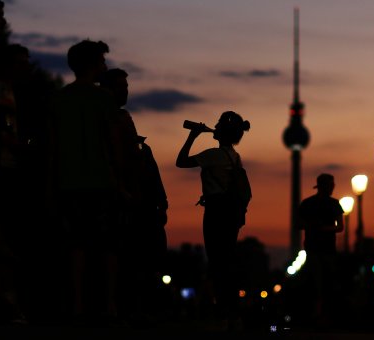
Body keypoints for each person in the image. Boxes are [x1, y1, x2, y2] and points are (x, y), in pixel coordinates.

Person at [48, 39, 121, 323]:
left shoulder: (57, 99)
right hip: (101, 181)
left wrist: (49, 185)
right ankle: (109, 306)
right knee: (108, 247)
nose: (105, 65)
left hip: (68, 183)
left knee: (76, 246)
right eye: (102, 61)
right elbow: (113, 143)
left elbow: (52, 147)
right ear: (93, 65)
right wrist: (121, 180)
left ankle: (78, 306)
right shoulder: (104, 99)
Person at [99, 68, 169, 325]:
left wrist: (160, 200)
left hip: (138, 200)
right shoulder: (110, 121)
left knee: (139, 259)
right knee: (124, 256)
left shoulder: (123, 120)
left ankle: (133, 306)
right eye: (121, 87)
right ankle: (122, 307)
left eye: (126, 87)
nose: (125, 91)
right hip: (123, 199)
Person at [176, 110, 250, 331]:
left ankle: (223, 313)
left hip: (217, 212)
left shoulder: (213, 155)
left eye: (218, 125)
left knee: (217, 262)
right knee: (226, 261)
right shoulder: (235, 157)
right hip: (232, 213)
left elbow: (181, 162)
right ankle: (232, 312)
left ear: (223, 132)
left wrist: (193, 135)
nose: (214, 128)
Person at [297, 173, 344, 325]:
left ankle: (320, 313)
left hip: (322, 248)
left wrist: (320, 227)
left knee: (323, 281)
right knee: (320, 281)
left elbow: (340, 227)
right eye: (330, 185)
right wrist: (318, 227)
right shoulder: (328, 204)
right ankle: (319, 313)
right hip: (318, 248)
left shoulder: (309, 203)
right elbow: (339, 227)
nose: (332, 188)